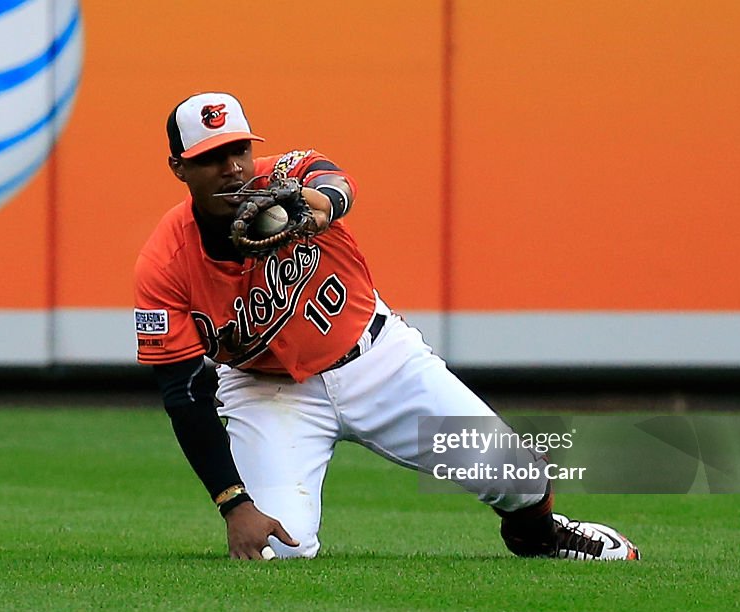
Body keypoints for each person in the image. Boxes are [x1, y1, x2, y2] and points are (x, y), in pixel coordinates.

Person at [134, 92, 640, 561]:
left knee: (517, 476)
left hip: (377, 360)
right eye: (209, 158)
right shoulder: (165, 262)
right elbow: (183, 394)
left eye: (238, 149)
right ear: (178, 168)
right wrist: (233, 503)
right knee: (275, 549)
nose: (231, 168)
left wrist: (320, 207)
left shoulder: (287, 175)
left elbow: (335, 181)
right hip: (268, 394)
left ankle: (543, 537)